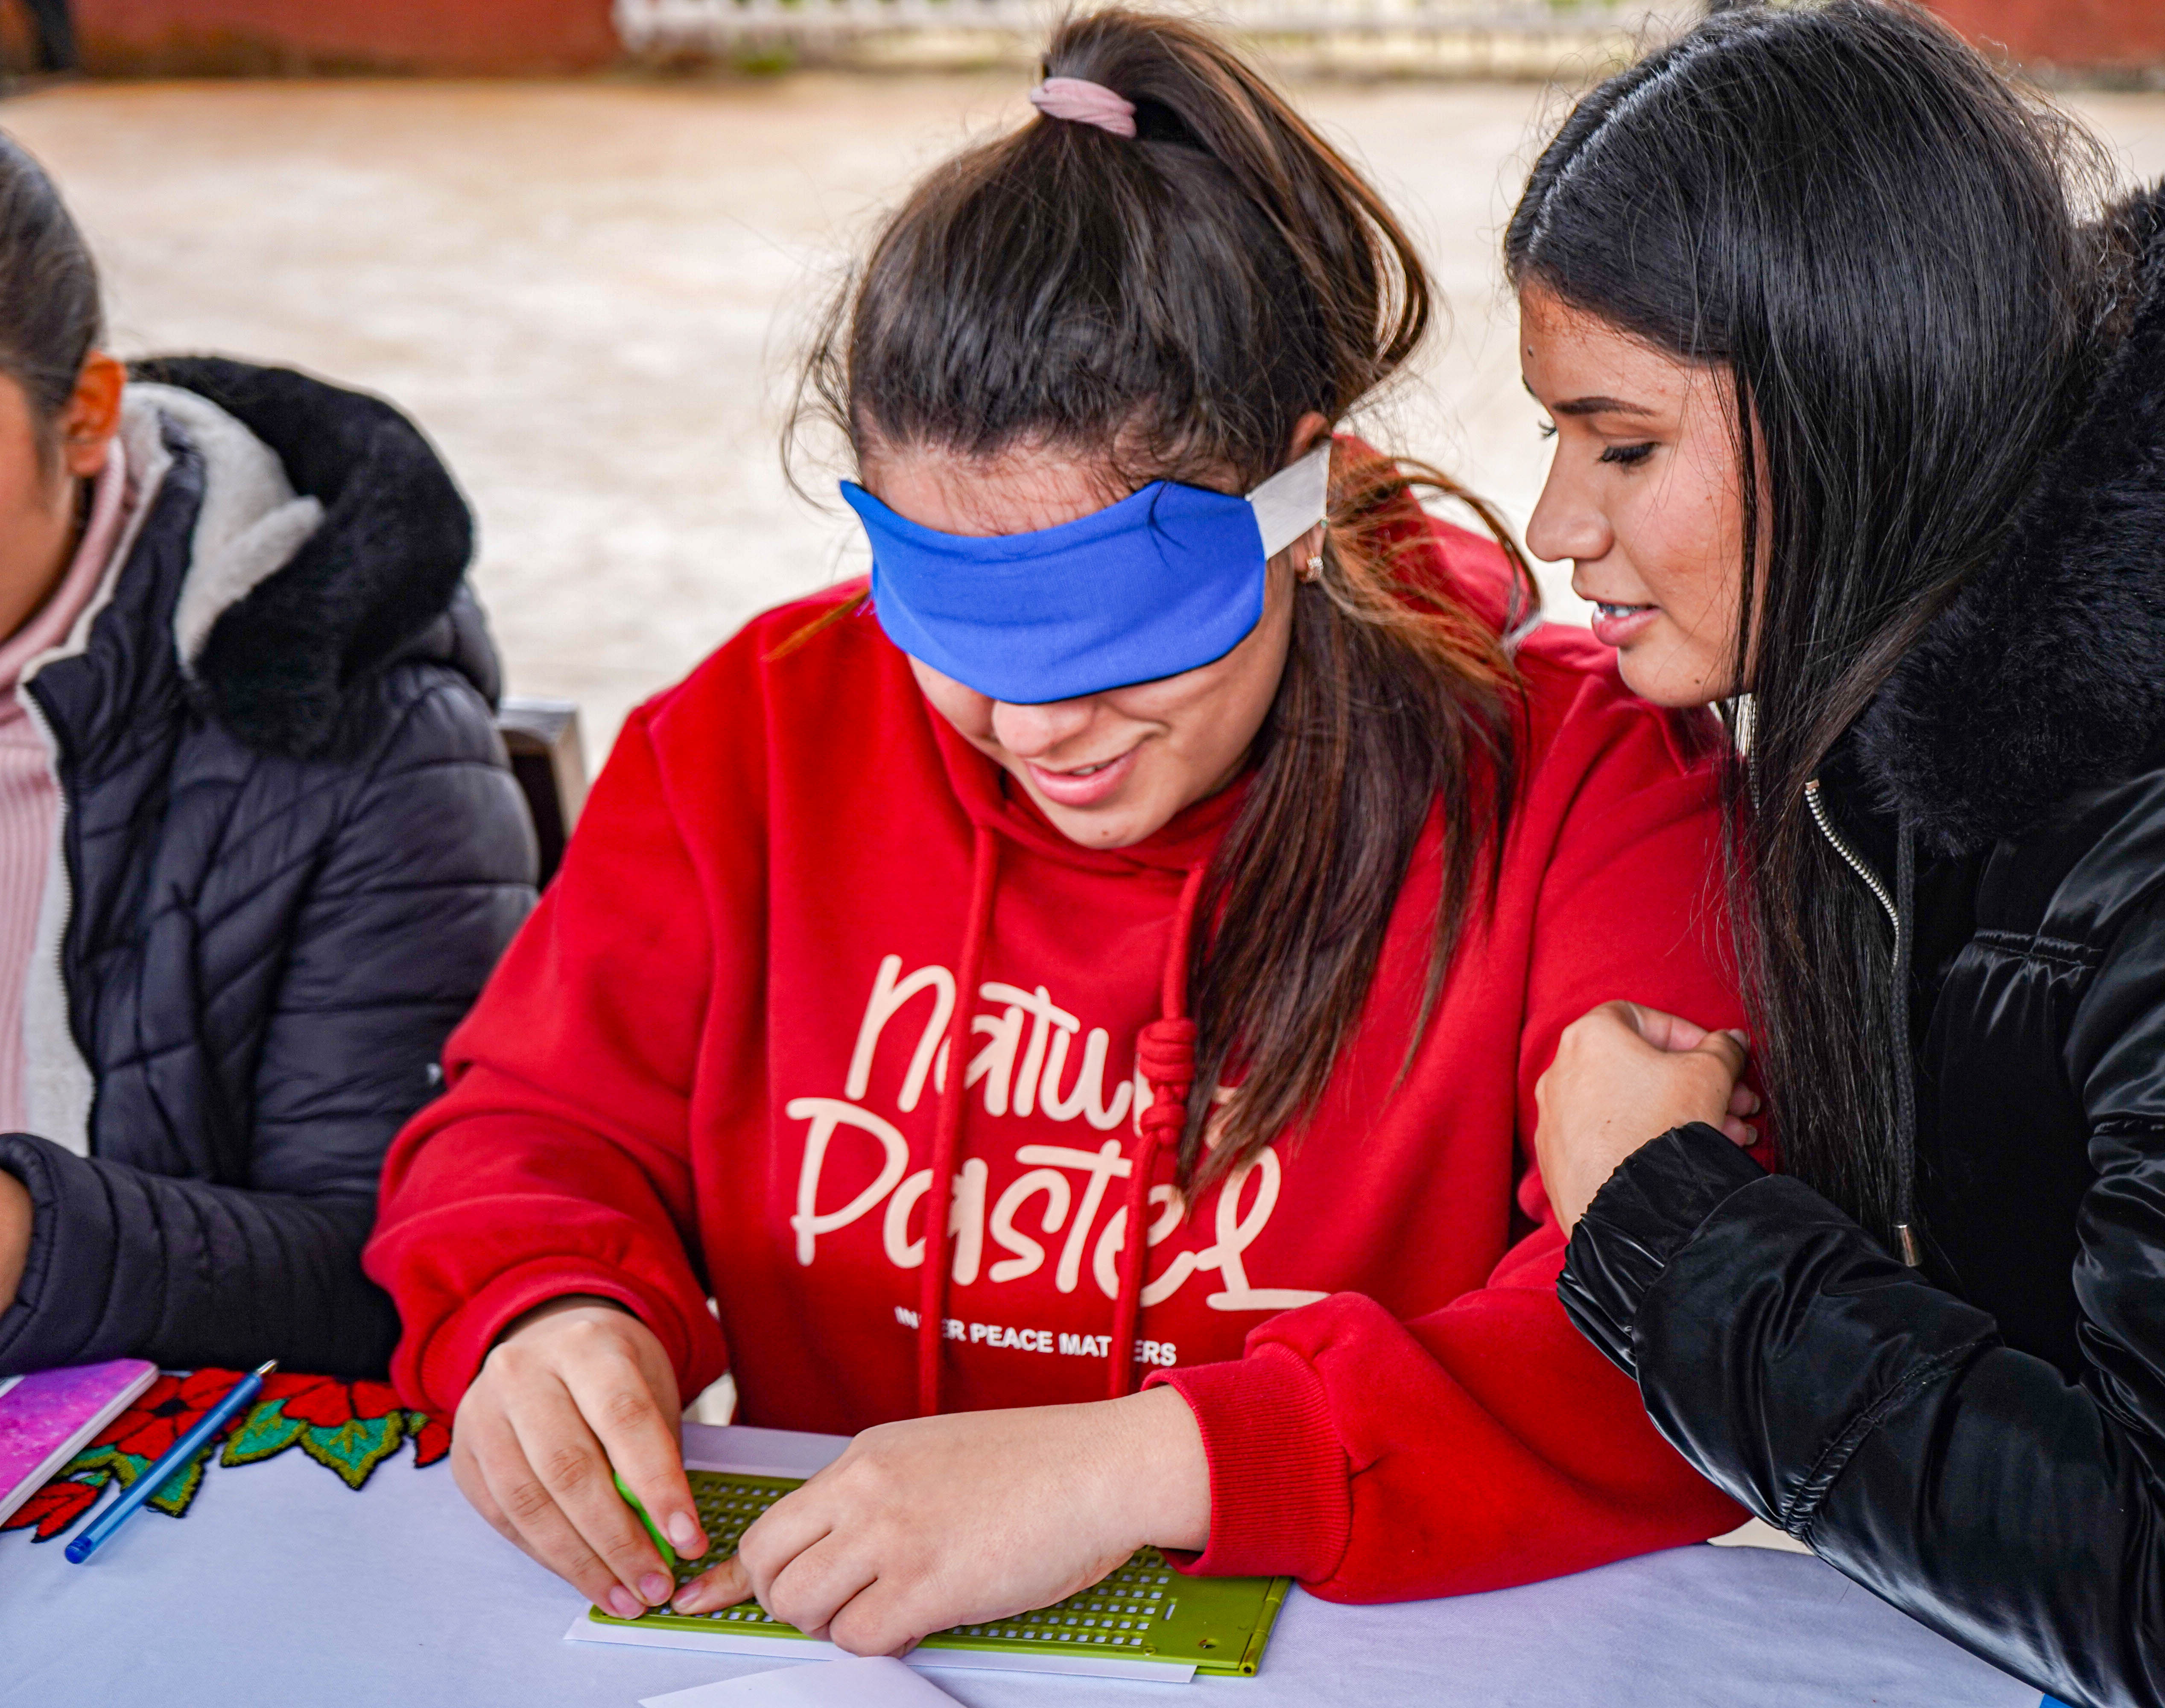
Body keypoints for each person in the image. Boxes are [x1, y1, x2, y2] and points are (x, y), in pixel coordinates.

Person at [365, 7, 1754, 1654]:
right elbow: (526, 1124)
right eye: (956, 638)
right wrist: (544, 1306)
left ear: (1297, 507)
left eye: (1115, 646)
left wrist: (1140, 1469)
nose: (1033, 732)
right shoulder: (753, 737)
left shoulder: (1589, 784)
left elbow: (1686, 1332)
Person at [1512, 5, 2165, 1705]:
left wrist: (1669, 1229)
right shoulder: (1915, 704)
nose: (1559, 522)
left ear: (1858, 402)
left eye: (1622, 443)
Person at [0, 133, 539, 1378]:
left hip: (147, 1503)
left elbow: (389, 1285)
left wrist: (33, 1243)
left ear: (83, 416)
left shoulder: (365, 738)